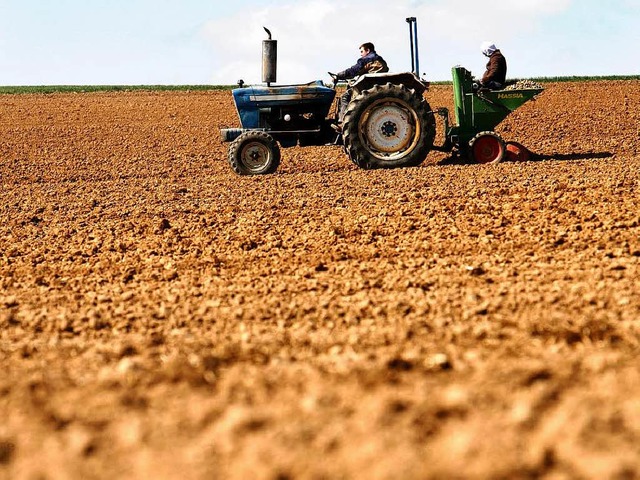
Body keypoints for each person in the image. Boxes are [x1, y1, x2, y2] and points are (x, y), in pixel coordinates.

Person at [331, 42, 389, 125]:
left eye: (362, 52)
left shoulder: (367, 59)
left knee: (345, 97)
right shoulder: (380, 60)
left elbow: (353, 71)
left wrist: (338, 75)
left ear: (368, 50)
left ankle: (342, 122)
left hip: (368, 87)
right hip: (376, 85)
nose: (361, 54)